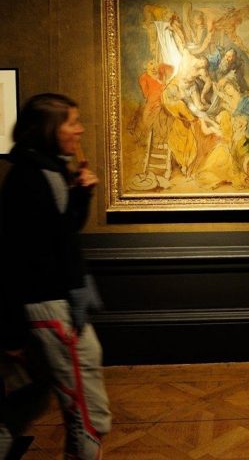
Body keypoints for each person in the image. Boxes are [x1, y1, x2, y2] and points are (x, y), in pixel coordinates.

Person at [0, 93, 111, 459]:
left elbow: (60, 235)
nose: (80, 130)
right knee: (89, 417)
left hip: (56, 303)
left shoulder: (49, 170)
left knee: (30, 398)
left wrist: (80, 195)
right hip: (50, 305)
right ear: (49, 129)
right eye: (72, 122)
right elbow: (13, 257)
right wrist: (11, 331)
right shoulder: (30, 178)